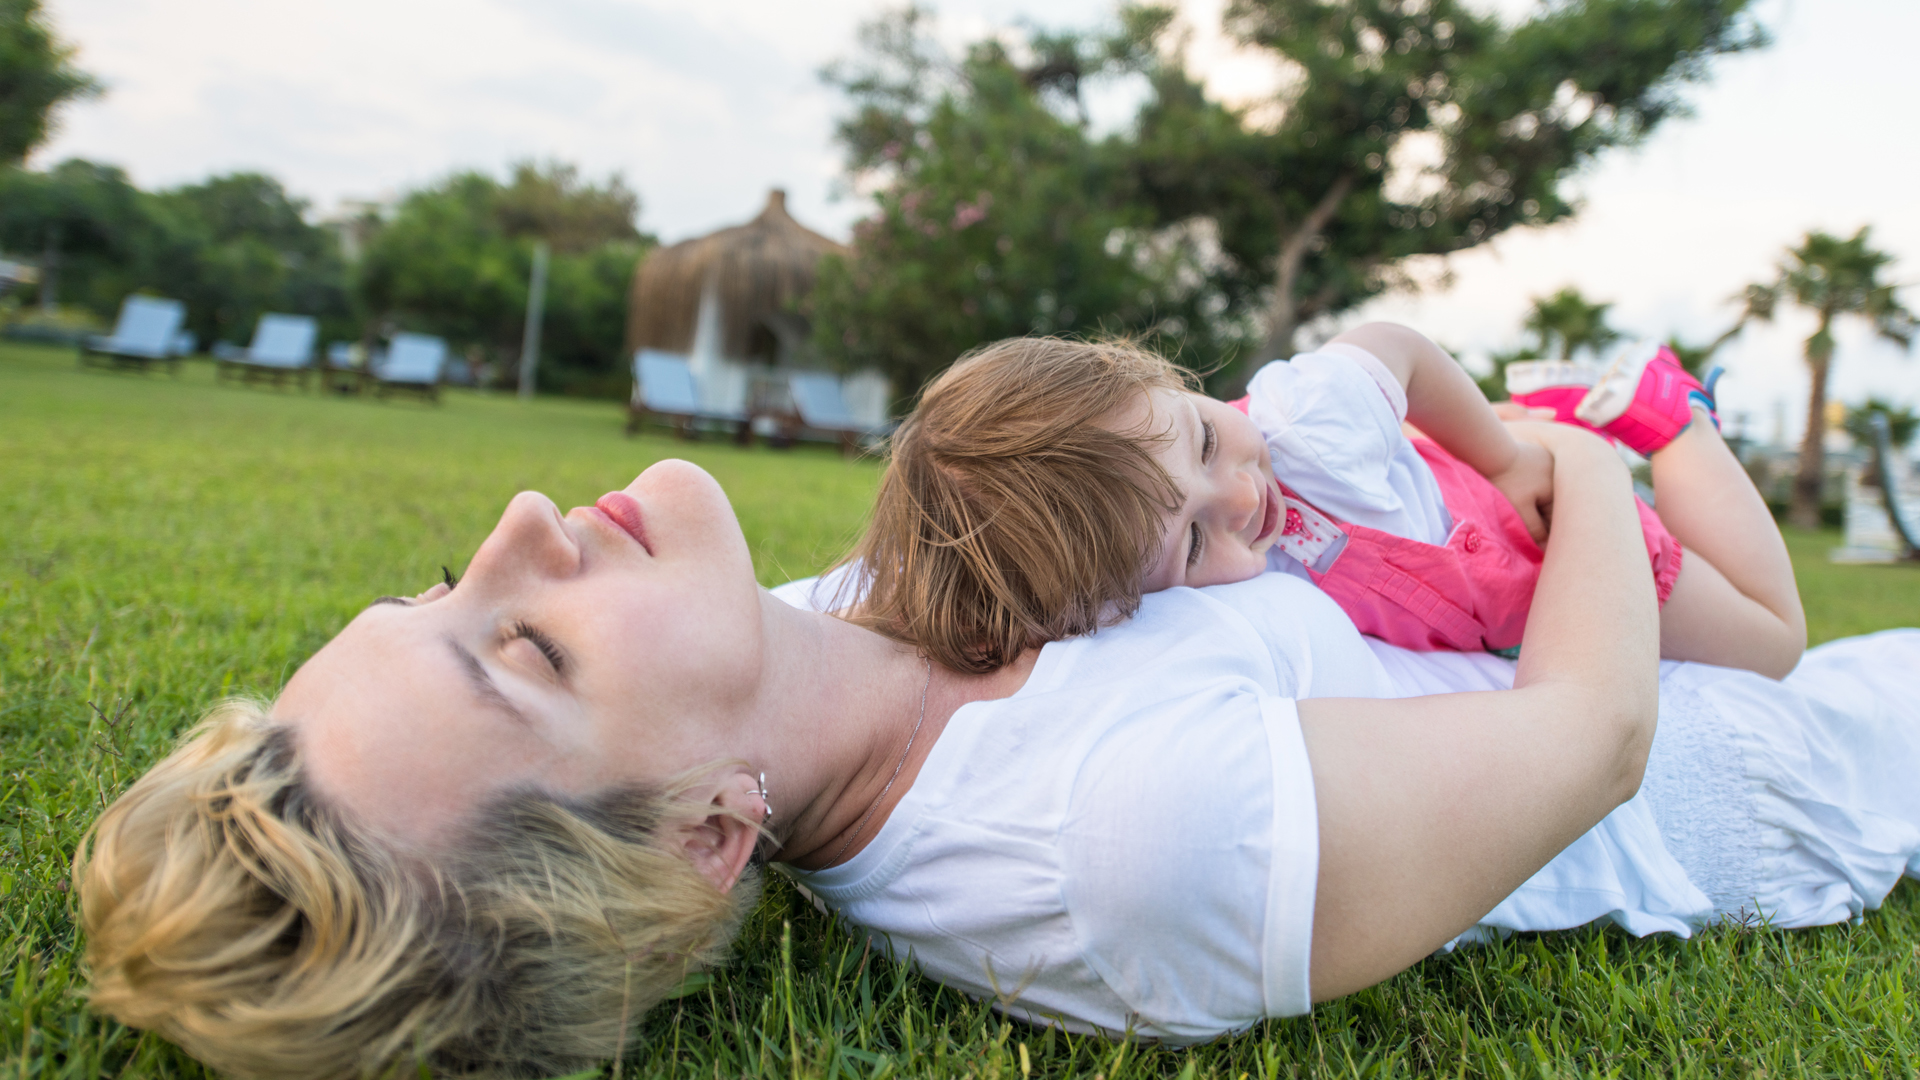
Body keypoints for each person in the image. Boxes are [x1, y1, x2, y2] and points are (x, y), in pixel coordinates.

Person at [76, 436, 1920, 1079]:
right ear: (714, 837)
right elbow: (1585, 739)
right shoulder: (1109, 852)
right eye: (530, 649)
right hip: (1763, 769)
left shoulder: (819, 615)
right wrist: (1585, 470)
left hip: (1564, 606)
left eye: (438, 591)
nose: (525, 524)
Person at [837, 327, 1806, 678]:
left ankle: (1670, 418)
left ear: (1154, 376)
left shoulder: (1309, 419)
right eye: (1191, 541)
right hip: (1485, 582)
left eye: (1209, 439)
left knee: (1772, 641)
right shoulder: (1118, 577)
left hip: (1547, 534)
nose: (1243, 497)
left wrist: (1506, 456)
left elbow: (1400, 348)